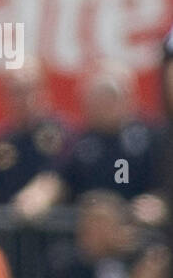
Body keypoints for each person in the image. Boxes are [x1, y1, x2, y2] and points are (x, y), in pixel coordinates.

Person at [16, 64, 165, 227]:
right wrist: (36, 197)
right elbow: (54, 179)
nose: (104, 106)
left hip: (137, 234)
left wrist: (159, 203)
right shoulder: (77, 142)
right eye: (97, 99)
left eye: (110, 97)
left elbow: (163, 184)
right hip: (89, 237)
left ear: (128, 98)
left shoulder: (151, 137)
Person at [0, 59, 70, 210]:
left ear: (43, 91)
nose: (22, 99)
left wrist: (39, 195)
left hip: (53, 229)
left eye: (28, 90)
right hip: (7, 229)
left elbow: (57, 178)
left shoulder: (64, 132)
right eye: (14, 92)